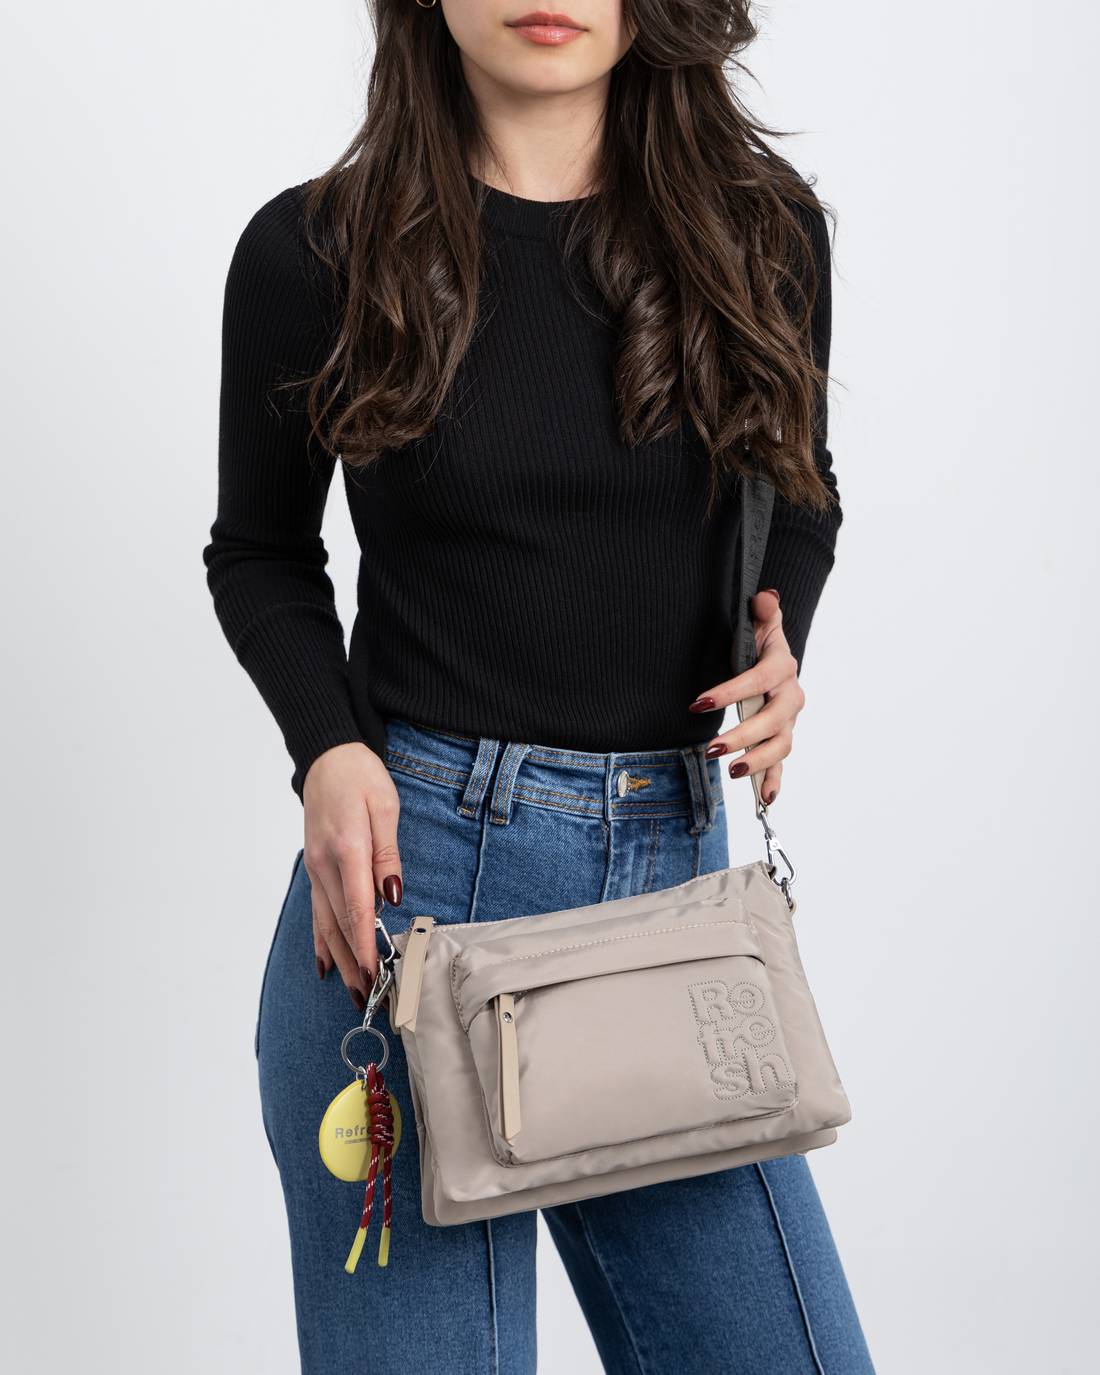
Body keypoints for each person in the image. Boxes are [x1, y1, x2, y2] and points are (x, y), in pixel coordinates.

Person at [203, 2, 874, 1370]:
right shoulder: (316, 252)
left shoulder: (762, 233)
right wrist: (328, 748)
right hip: (406, 911)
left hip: (671, 912)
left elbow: (800, 489)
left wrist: (777, 642)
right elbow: (259, 552)